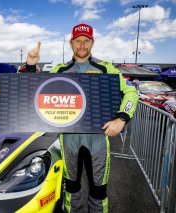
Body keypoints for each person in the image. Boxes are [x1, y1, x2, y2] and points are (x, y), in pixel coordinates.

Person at [25, 23, 139, 212]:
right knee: (71, 189)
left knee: (98, 191)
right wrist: (30, 64)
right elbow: (34, 92)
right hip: (69, 141)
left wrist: (122, 118)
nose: (82, 45)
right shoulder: (60, 70)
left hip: (98, 141)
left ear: (92, 43)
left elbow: (131, 92)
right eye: (78, 41)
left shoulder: (106, 68)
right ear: (71, 44)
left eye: (86, 41)